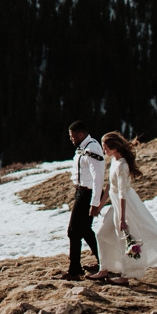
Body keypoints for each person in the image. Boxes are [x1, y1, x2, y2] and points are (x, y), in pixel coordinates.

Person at [87, 131, 157, 284]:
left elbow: (122, 193)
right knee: (101, 234)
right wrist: (99, 206)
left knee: (126, 239)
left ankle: (127, 275)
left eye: (105, 147)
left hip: (125, 206)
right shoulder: (114, 161)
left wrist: (122, 218)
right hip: (116, 205)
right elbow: (110, 186)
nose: (104, 151)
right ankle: (104, 269)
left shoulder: (122, 165)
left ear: (114, 148)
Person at [63, 120, 104, 281]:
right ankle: (104, 262)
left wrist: (94, 203)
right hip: (82, 191)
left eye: (73, 136)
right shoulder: (83, 148)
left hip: (88, 194)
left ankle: (74, 270)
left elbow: (98, 178)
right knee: (86, 230)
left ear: (81, 134)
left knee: (73, 231)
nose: (71, 139)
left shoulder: (92, 148)